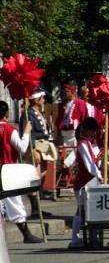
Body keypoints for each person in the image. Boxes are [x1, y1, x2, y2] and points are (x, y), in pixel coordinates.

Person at [0, 100, 43, 244]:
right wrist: (26, 133)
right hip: (7, 172)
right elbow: (22, 148)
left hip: (5, 171)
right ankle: (26, 234)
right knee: (15, 204)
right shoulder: (9, 129)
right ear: (7, 113)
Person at [19, 88, 55, 215]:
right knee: (35, 176)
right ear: (36, 99)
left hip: (43, 147)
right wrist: (32, 149)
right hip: (34, 147)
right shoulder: (28, 114)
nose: (44, 100)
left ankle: (37, 207)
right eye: (42, 98)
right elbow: (27, 132)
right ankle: (34, 208)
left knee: (42, 174)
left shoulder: (40, 113)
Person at [69, 117, 103, 249]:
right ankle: (74, 239)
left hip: (89, 182)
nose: (93, 133)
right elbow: (89, 165)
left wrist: (98, 160)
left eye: (94, 131)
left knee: (87, 210)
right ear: (84, 129)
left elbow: (93, 163)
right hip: (84, 183)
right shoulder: (83, 143)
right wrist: (99, 175)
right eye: (90, 130)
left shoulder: (88, 143)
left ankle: (89, 237)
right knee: (81, 210)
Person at [55, 82, 87, 147]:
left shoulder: (80, 103)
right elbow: (59, 119)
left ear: (73, 92)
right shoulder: (63, 104)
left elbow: (84, 118)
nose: (64, 93)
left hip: (75, 133)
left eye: (67, 91)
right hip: (64, 134)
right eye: (64, 91)